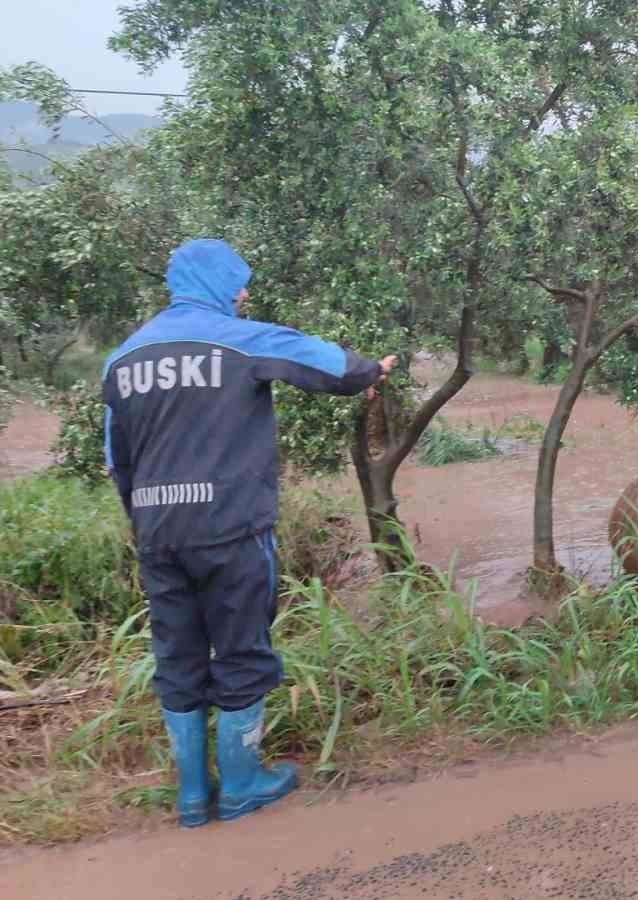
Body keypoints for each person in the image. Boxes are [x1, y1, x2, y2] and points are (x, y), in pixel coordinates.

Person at [102, 238, 395, 827]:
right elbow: (329, 364)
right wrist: (370, 371)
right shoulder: (235, 337)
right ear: (214, 283)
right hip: (230, 527)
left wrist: (149, 522)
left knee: (177, 656)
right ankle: (240, 784)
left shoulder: (122, 359)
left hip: (159, 532)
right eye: (238, 283)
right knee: (240, 648)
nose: (243, 293)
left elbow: (117, 460)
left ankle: (191, 798)